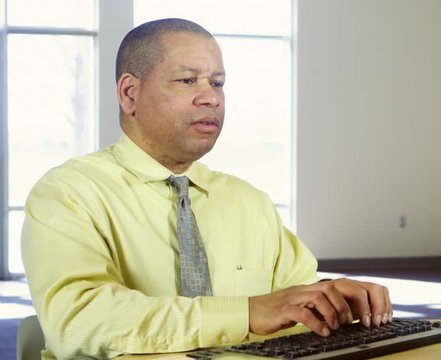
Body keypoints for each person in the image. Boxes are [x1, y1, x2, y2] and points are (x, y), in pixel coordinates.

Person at [21, 18, 392, 359]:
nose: (211, 97)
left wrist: (334, 298)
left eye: (217, 83)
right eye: (187, 80)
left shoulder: (248, 201)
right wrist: (247, 313)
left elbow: (295, 296)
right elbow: (81, 319)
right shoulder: (67, 194)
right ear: (130, 93)